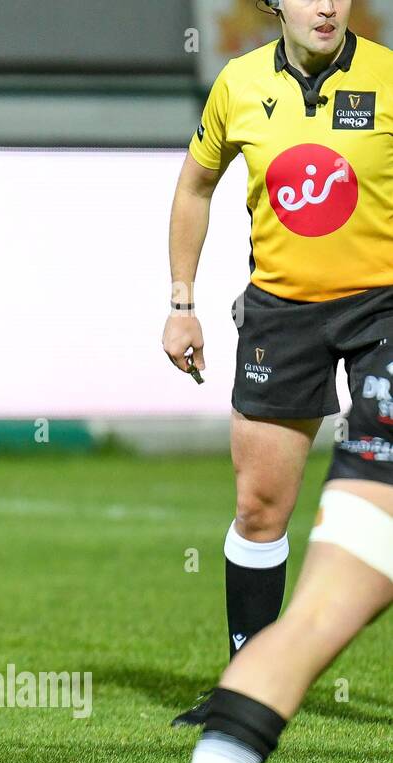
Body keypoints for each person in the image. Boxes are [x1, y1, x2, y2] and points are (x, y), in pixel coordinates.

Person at [162, 0, 393, 725]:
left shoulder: (390, 77)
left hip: (383, 309)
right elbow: (195, 186)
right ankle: (249, 685)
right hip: (282, 315)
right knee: (261, 509)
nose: (325, 5)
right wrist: (181, 302)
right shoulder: (237, 84)